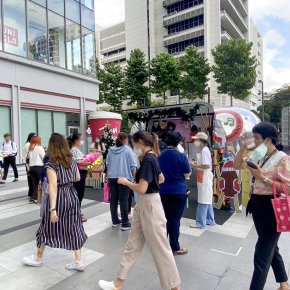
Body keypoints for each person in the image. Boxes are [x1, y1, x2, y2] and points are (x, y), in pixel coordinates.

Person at [99, 131, 181, 290]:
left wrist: (126, 182)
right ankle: (118, 283)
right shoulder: (151, 158)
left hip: (149, 205)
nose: (133, 147)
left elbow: (142, 188)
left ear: (141, 142)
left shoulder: (149, 159)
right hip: (145, 205)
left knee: (160, 249)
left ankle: (174, 287)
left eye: (134, 144)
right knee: (132, 246)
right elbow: (161, 179)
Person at [233, 122, 290, 290]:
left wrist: (262, 177)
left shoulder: (282, 158)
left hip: (273, 207)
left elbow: (288, 188)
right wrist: (243, 148)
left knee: (261, 255)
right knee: (271, 247)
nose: (254, 141)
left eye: (256, 137)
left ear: (268, 139)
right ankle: (284, 283)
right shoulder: (258, 154)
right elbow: (236, 165)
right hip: (258, 206)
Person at [23, 133, 87, 271]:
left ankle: (38, 258)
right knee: (74, 227)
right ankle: (78, 261)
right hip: (72, 195)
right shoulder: (71, 159)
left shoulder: (51, 163)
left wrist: (53, 209)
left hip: (58, 198)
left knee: (46, 227)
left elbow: (53, 186)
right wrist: (67, 178)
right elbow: (77, 177)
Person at [158, 131, 191, 255]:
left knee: (164, 219)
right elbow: (187, 174)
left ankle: (162, 245)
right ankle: (175, 247)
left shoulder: (160, 156)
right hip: (178, 191)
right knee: (175, 220)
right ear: (178, 142)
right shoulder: (182, 156)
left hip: (163, 191)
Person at [106, 132, 137, 231]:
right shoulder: (128, 150)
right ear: (125, 140)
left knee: (113, 200)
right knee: (123, 200)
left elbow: (107, 164)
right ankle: (125, 223)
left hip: (112, 178)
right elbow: (133, 166)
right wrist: (133, 179)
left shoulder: (110, 150)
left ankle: (115, 221)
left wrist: (107, 177)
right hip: (124, 178)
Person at [190, 132, 215, 229]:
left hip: (204, 176)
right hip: (203, 176)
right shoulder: (204, 150)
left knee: (203, 199)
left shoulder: (204, 150)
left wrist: (194, 165)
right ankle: (210, 219)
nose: (195, 141)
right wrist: (196, 163)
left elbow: (207, 165)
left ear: (201, 141)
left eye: (196, 140)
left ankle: (200, 223)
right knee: (206, 198)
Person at [68, 133, 91, 222]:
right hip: (78, 174)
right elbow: (79, 162)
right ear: (76, 140)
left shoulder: (75, 149)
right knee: (79, 194)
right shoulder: (74, 150)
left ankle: (76, 212)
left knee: (77, 194)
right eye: (81, 139)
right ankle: (76, 214)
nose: (82, 141)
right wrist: (90, 162)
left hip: (79, 174)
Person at [28, 136, 45, 203]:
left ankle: (34, 197)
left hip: (31, 167)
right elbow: (43, 157)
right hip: (39, 166)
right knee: (41, 182)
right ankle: (35, 197)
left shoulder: (30, 148)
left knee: (34, 183)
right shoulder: (40, 148)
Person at [23, 132, 37, 199]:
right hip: (30, 164)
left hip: (32, 163)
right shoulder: (28, 144)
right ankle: (32, 194)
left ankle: (31, 193)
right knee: (32, 179)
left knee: (31, 179)